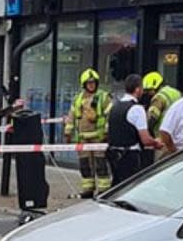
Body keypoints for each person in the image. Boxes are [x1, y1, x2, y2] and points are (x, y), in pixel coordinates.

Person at [65, 68, 111, 197]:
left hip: (98, 137)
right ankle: (88, 189)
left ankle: (104, 190)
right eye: (89, 83)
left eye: (93, 82)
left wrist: (107, 133)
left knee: (100, 163)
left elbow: (109, 116)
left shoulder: (103, 97)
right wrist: (68, 132)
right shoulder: (78, 99)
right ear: (84, 84)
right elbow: (71, 116)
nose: (91, 85)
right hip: (82, 138)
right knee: (84, 164)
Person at [107, 74, 159, 186]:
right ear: (138, 89)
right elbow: (145, 139)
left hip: (113, 154)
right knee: (129, 187)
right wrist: (156, 143)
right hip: (129, 155)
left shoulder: (115, 106)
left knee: (116, 186)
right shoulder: (137, 109)